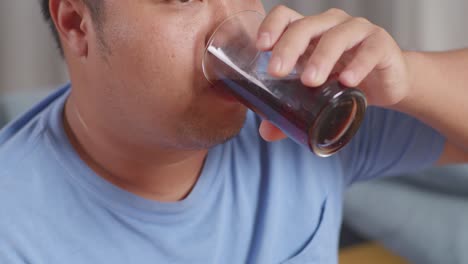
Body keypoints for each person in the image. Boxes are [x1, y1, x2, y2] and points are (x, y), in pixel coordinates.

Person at [0, 1, 467, 263]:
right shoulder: (15, 235)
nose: (229, 23)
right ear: (76, 23)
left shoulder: (293, 124)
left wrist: (410, 78)